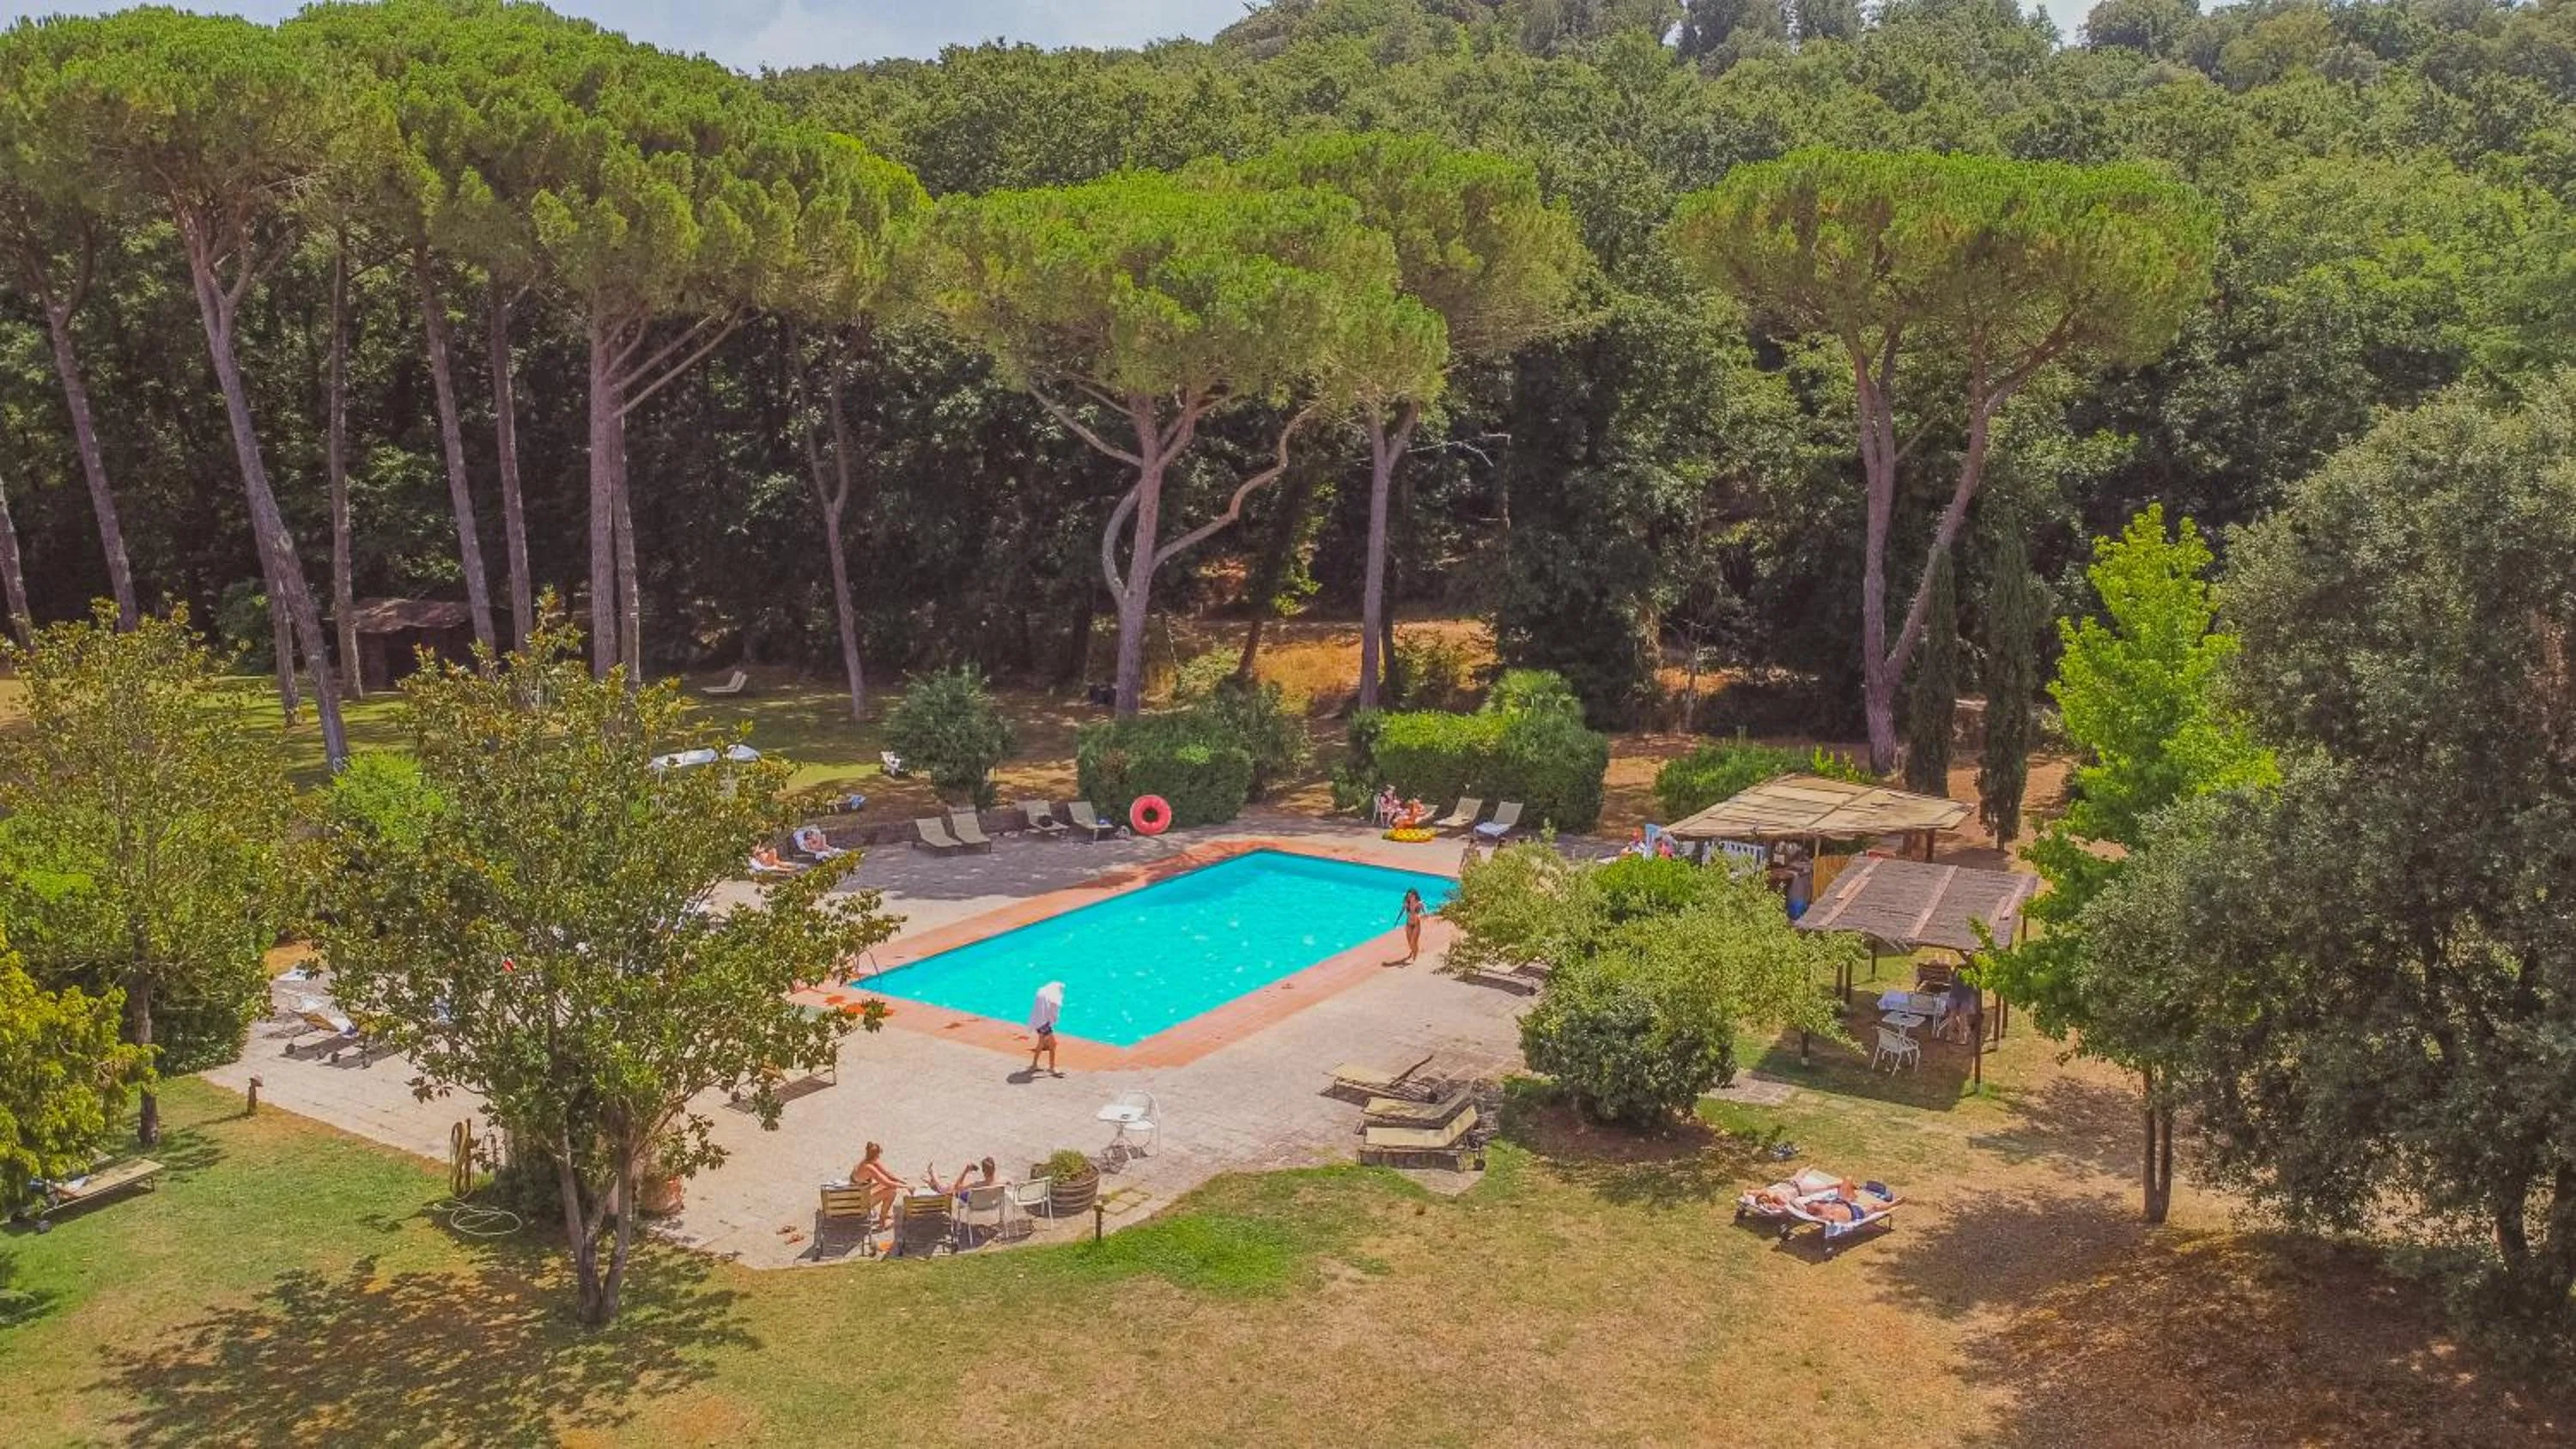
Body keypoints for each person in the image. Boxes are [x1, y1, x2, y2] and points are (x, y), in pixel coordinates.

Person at [847, 1141, 907, 1224]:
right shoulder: (869, 1168)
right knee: (892, 1191)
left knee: (892, 1185)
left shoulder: (866, 1161)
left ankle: (884, 1214)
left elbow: (888, 1174)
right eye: (879, 1155)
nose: (879, 1157)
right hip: (860, 1202)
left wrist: (903, 1182)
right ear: (876, 1155)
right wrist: (906, 1187)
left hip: (859, 1193)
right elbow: (887, 1182)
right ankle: (882, 1219)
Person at [1027, 980, 1065, 1077]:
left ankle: (1034, 1065)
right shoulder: (1050, 996)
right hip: (1044, 1025)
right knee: (1053, 1044)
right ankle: (1052, 1068)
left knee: (1041, 1044)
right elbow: (1054, 1008)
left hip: (1038, 1023)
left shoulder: (1042, 993)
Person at [1399, 888, 1428, 964]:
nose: (1410, 897)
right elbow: (1401, 911)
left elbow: (1425, 912)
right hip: (1408, 924)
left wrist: (1424, 915)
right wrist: (1397, 920)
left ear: (1415, 895)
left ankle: (1415, 957)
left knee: (1413, 942)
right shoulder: (1406, 903)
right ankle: (1414, 950)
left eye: (1411, 896)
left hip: (1416, 924)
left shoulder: (1419, 903)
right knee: (1409, 942)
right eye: (1409, 896)